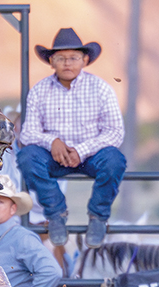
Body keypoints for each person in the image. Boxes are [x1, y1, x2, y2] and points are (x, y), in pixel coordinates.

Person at [17, 27, 126, 248]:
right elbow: (28, 133)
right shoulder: (39, 91)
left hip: (92, 157)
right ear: (51, 62)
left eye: (74, 57)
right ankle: (56, 214)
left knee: (115, 160)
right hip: (53, 157)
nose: (67, 63)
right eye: (61, 58)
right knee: (27, 157)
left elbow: (115, 132)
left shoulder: (101, 89)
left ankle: (98, 217)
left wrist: (82, 150)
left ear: (85, 60)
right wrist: (52, 142)